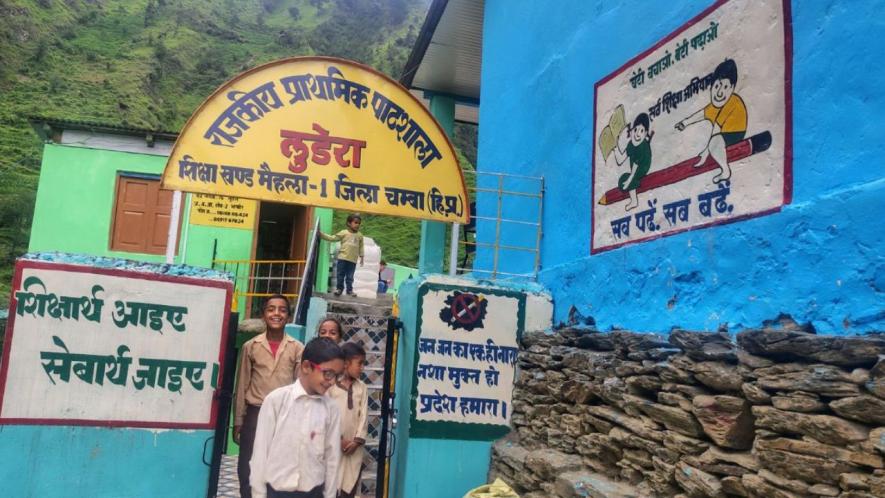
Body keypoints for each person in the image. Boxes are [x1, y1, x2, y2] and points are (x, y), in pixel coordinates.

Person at [250, 337, 345, 498]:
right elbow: (260, 453)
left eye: (337, 376)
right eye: (328, 374)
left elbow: (332, 458)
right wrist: (259, 494)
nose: (332, 381)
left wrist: (329, 495)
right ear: (307, 366)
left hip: (313, 492)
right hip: (277, 492)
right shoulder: (276, 401)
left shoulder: (331, 409)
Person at [234, 295, 305, 498]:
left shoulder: (297, 348)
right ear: (263, 315)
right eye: (271, 309)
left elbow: (299, 388)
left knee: (279, 465)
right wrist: (239, 420)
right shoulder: (251, 346)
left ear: (288, 316)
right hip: (255, 415)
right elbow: (242, 384)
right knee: (248, 464)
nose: (276, 313)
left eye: (282, 310)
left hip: (284, 415)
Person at [675, 58, 747, 183]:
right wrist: (684, 123)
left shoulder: (731, 102)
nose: (719, 92)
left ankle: (725, 171)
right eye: (717, 86)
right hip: (723, 134)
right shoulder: (714, 107)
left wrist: (706, 151)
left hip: (736, 132)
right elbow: (701, 114)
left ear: (732, 88)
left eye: (725, 87)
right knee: (713, 139)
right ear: (711, 87)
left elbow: (717, 130)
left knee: (715, 140)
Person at [328, 343, 369, 498]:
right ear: (346, 364)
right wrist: (338, 439)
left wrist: (357, 441)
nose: (362, 368)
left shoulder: (362, 387)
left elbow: (364, 415)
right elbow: (327, 414)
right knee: (331, 484)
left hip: (354, 448)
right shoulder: (331, 386)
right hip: (333, 445)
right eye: (359, 363)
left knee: (349, 486)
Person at [613, 113, 653, 211]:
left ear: (645, 133)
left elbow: (635, 167)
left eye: (641, 131)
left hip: (642, 168)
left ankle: (634, 201)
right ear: (632, 130)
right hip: (634, 169)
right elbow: (621, 159)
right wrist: (615, 148)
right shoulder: (631, 144)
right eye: (636, 130)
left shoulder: (642, 146)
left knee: (627, 180)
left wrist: (629, 180)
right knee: (623, 179)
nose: (637, 133)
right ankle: (632, 193)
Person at [319, 214, 364, 297]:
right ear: (349, 223)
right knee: (340, 275)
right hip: (343, 258)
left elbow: (361, 247)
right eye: (356, 222)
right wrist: (322, 235)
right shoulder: (344, 233)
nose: (357, 224)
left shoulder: (360, 235)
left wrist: (362, 257)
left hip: (353, 260)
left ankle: (349, 291)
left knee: (350, 277)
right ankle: (339, 289)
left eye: (359, 223)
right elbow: (333, 238)